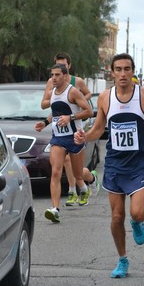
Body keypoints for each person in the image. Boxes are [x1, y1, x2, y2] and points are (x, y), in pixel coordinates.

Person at [74, 53, 144, 278]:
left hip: (138, 164)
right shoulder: (105, 98)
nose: (123, 74)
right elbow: (98, 128)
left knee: (137, 212)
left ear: (133, 71)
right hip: (114, 164)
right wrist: (84, 137)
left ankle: (137, 222)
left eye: (127, 69)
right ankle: (122, 260)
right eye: (119, 69)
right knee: (116, 217)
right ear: (112, 72)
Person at [36, 63, 95, 223]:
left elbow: (89, 112)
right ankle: (55, 209)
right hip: (59, 138)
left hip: (75, 137)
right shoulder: (53, 93)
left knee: (78, 174)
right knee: (55, 172)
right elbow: (55, 113)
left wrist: (71, 117)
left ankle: (90, 181)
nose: (53, 78)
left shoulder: (73, 91)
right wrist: (45, 123)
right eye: (52, 75)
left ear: (64, 75)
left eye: (57, 75)